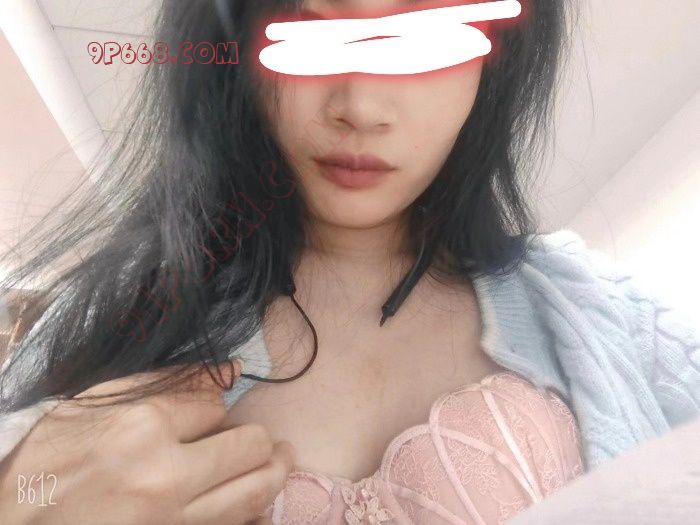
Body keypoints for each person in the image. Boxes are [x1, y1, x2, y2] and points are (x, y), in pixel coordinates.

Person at [0, 0, 698, 523]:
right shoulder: (102, 321)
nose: (360, 105)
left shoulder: (620, 324)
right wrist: (22, 501)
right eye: (304, 28)